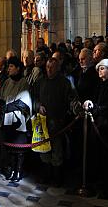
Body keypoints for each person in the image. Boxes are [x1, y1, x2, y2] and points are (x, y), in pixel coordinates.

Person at [34, 57, 77, 186]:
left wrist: (74, 108)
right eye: (47, 67)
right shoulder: (40, 81)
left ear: (58, 68)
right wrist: (38, 106)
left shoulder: (64, 82)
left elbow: (71, 99)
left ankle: (57, 178)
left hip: (58, 122)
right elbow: (34, 97)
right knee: (44, 150)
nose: (49, 69)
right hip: (43, 122)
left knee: (57, 151)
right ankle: (46, 175)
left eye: (52, 67)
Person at [84, 58, 108, 199]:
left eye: (102, 68)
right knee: (98, 157)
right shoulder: (99, 84)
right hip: (98, 126)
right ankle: (99, 184)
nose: (99, 71)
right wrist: (90, 103)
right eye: (99, 69)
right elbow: (95, 99)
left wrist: (97, 108)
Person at [0, 56, 32, 183]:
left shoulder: (24, 82)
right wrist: (2, 106)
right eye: (8, 66)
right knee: (10, 147)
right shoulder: (7, 82)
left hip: (18, 120)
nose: (9, 69)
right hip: (7, 119)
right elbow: (1, 96)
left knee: (19, 148)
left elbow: (25, 102)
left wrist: (9, 107)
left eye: (11, 66)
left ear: (18, 68)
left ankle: (18, 170)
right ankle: (12, 169)